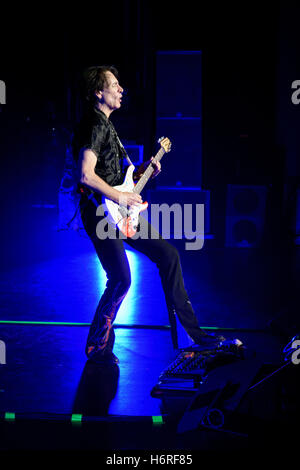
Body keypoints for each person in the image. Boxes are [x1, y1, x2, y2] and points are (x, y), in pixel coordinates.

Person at [72, 65, 225, 364]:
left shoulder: (107, 125)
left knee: (168, 255)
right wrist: (121, 195)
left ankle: (192, 337)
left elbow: (117, 177)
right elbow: (85, 175)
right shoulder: (94, 124)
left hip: (118, 209)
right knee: (121, 277)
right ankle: (97, 346)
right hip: (101, 213)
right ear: (98, 92)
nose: (121, 89)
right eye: (114, 85)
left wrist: (142, 174)